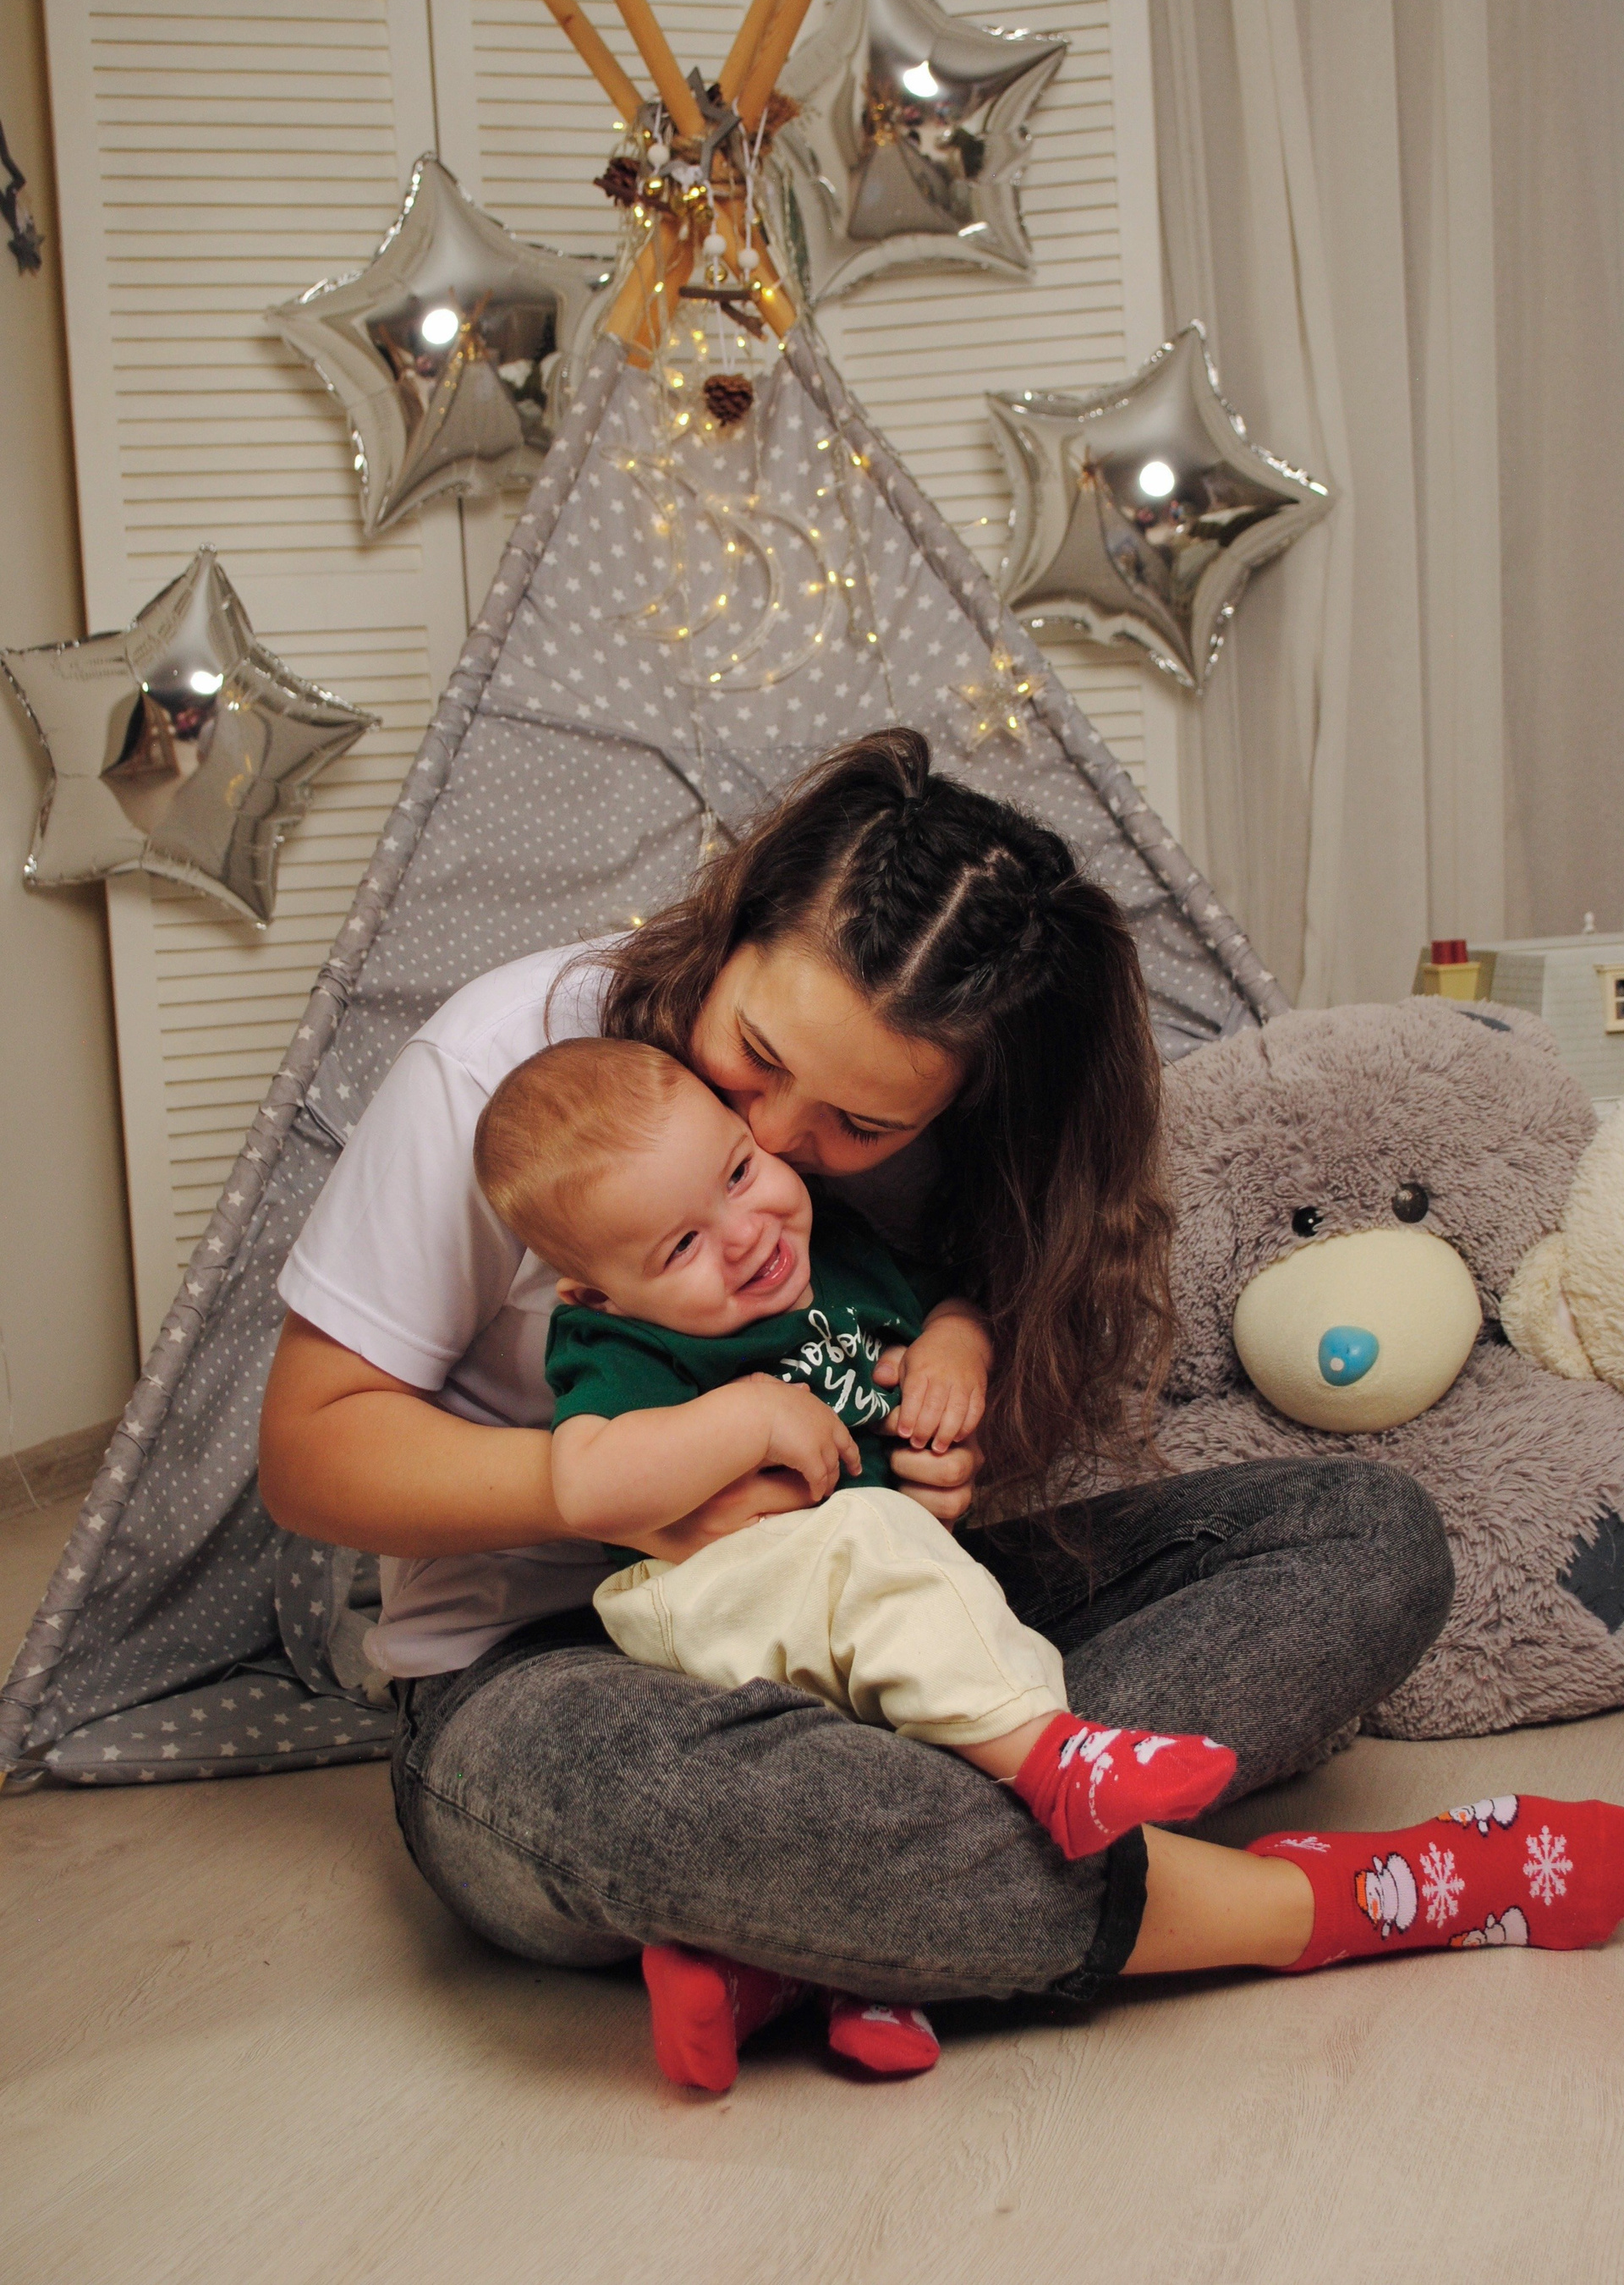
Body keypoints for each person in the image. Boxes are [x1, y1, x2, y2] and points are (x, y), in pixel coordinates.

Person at [259, 729, 1621, 2096]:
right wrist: (608, 1490)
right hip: (551, 1669)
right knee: (656, 1799)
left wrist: (952, 1434)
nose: (777, 1147)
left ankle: (829, 1926)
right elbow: (310, 1452)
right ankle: (1330, 1900)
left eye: (860, 1127)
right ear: (734, 926)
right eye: (755, 1057)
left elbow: (919, 1351)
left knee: (1369, 1535)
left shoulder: (936, 1145)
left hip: (896, 1616)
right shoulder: (509, 1072)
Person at [473, 1035, 1238, 2081]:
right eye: (682, 1246)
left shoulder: (831, 1246)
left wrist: (956, 1347)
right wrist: (749, 1416)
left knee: (895, 1737)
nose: (746, 1234)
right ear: (595, 1293)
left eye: (738, 1173)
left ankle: (818, 1980)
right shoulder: (619, 1343)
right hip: (717, 1603)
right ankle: (1056, 1764)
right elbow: (586, 1485)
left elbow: (946, 1303)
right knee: (874, 1535)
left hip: (849, 1613)